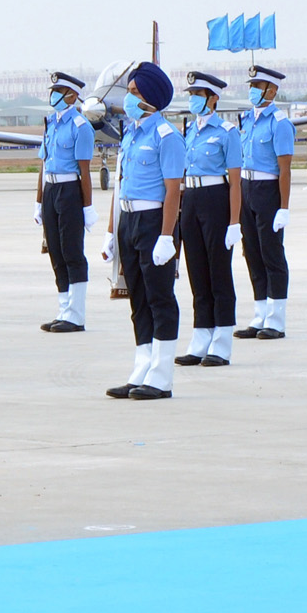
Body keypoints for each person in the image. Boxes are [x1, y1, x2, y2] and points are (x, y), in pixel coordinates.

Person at [102, 62, 183, 400]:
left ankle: (161, 376)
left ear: (150, 96)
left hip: (154, 223)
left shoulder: (167, 137)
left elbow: (173, 190)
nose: (129, 98)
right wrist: (111, 231)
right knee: (137, 297)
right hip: (129, 220)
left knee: (159, 297)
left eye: (134, 93)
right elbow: (120, 187)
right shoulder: (131, 134)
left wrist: (167, 236)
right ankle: (142, 367)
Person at [174, 72, 242, 367]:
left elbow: (236, 181)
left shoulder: (227, 131)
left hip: (216, 199)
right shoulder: (189, 131)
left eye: (199, 94)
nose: (193, 99)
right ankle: (201, 335)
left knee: (218, 272)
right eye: (191, 93)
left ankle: (222, 341)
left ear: (214, 98)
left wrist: (234, 222)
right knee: (197, 271)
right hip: (191, 199)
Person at [235, 66, 294, 341]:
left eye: (258, 86)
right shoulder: (248, 119)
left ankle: (276, 319)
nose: (253, 90)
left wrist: (283, 207)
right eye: (252, 85)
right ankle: (259, 314)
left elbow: (285, 169)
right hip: (247, 187)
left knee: (271, 253)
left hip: (268, 189)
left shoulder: (279, 123)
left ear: (272, 91)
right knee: (252, 253)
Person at [38, 70, 96, 332]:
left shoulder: (80, 127)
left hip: (70, 190)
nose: (53, 96)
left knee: (72, 251)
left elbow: (84, 170)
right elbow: (42, 164)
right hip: (51, 189)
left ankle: (77, 314)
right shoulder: (51, 123)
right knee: (56, 252)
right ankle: (64, 309)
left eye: (58, 92)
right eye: (52, 91)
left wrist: (88, 206)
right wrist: (38, 201)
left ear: (72, 95)